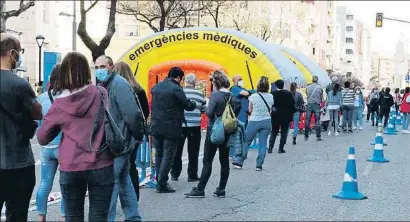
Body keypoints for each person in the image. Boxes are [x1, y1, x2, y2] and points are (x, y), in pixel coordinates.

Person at [37, 52, 114, 221]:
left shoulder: (60, 102)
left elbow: (42, 137)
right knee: (99, 216)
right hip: (101, 162)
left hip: (71, 165)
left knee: (73, 216)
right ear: (88, 71)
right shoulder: (100, 93)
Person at [0, 33, 43, 221]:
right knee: (17, 215)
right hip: (17, 163)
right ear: (12, 53)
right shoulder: (19, 85)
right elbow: (37, 113)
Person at [95, 55, 143, 221]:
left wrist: (137, 135)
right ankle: (133, 216)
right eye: (97, 67)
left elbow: (132, 114)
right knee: (124, 181)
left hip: (118, 143)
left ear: (111, 66)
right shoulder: (101, 85)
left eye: (102, 66)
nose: (99, 70)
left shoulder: (119, 84)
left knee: (112, 185)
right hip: (112, 143)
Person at [184, 70, 240, 198]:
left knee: (207, 160)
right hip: (227, 131)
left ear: (216, 82)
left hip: (214, 130)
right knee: (224, 160)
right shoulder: (232, 95)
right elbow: (237, 108)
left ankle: (200, 189)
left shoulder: (215, 95)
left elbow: (209, 113)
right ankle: (221, 189)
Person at [151, 67, 197, 193]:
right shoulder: (176, 88)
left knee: (159, 154)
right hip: (171, 128)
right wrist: (193, 104)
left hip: (156, 126)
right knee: (168, 155)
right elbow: (187, 105)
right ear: (178, 78)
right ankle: (162, 183)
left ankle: (159, 181)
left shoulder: (156, 87)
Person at [112, 61, 150, 202]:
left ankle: (115, 200)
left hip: (116, 134)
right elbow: (145, 111)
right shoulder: (138, 89)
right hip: (134, 134)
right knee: (131, 165)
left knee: (115, 167)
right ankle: (134, 198)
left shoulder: (113, 88)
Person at [35, 64, 65, 221]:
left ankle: (40, 216)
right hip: (64, 147)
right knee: (64, 184)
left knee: (44, 183)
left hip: (46, 146)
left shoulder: (41, 98)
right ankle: (64, 216)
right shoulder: (67, 97)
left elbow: (36, 122)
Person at [171, 73, 206, 182]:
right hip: (194, 127)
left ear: (185, 81)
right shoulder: (200, 94)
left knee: (177, 150)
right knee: (193, 151)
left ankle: (175, 174)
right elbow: (203, 110)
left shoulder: (179, 92)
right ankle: (192, 175)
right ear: (195, 83)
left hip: (180, 125)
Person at [232, 77, 273, 170]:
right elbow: (270, 109)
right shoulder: (271, 96)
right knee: (262, 144)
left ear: (258, 86)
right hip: (266, 121)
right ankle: (259, 165)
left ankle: (239, 162)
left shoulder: (253, 96)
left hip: (254, 121)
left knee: (246, 141)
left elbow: (250, 110)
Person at [268, 79, 296, 153]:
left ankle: (270, 148)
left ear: (276, 85)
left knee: (274, 131)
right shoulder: (288, 93)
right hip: (286, 115)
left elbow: (270, 104)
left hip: (275, 115)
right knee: (284, 132)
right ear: (283, 85)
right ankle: (281, 148)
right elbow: (293, 103)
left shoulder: (272, 94)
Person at [304, 76, 324, 141]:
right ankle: (318, 136)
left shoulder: (308, 87)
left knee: (307, 120)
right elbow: (321, 97)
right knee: (317, 120)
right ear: (317, 80)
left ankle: (306, 136)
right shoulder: (320, 88)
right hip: (316, 105)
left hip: (309, 105)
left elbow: (307, 94)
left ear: (312, 80)